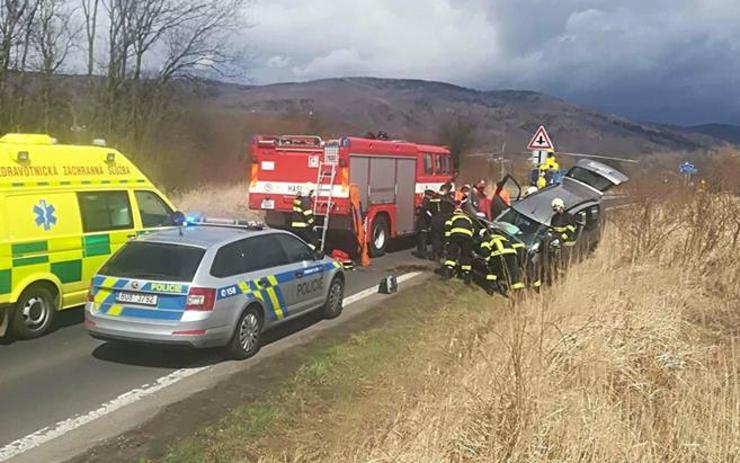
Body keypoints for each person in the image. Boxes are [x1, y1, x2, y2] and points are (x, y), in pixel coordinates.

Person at [478, 229, 524, 294]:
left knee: (493, 270)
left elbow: (485, 252)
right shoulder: (501, 237)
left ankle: (491, 287)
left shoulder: (487, 238)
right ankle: (518, 292)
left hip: (500, 254)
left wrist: (486, 260)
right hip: (512, 254)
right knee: (513, 272)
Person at [443, 204, 475, 284]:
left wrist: (447, 240)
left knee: (452, 253)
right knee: (466, 255)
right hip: (467, 237)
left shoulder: (452, 217)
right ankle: (466, 273)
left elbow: (447, 227)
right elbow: (473, 229)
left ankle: (449, 270)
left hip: (455, 235)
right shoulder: (468, 218)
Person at [430, 183, 454, 261]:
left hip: (434, 219)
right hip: (443, 220)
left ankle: (435, 254)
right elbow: (451, 208)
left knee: (435, 237)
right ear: (445, 189)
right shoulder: (446, 199)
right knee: (443, 237)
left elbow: (429, 209)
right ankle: (441, 253)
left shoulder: (433, 198)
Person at [291, 184, 319, 250]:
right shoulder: (305, 200)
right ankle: (310, 253)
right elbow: (308, 215)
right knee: (314, 241)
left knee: (300, 241)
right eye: (311, 191)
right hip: (303, 226)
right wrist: (313, 225)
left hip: (295, 225)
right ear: (307, 191)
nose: (312, 193)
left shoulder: (297, 199)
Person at [416, 189, 436, 259]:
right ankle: (422, 253)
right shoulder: (426, 202)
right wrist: (433, 217)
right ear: (429, 195)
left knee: (422, 238)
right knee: (423, 238)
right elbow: (427, 212)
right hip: (423, 223)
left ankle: (422, 252)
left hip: (423, 222)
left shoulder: (424, 201)